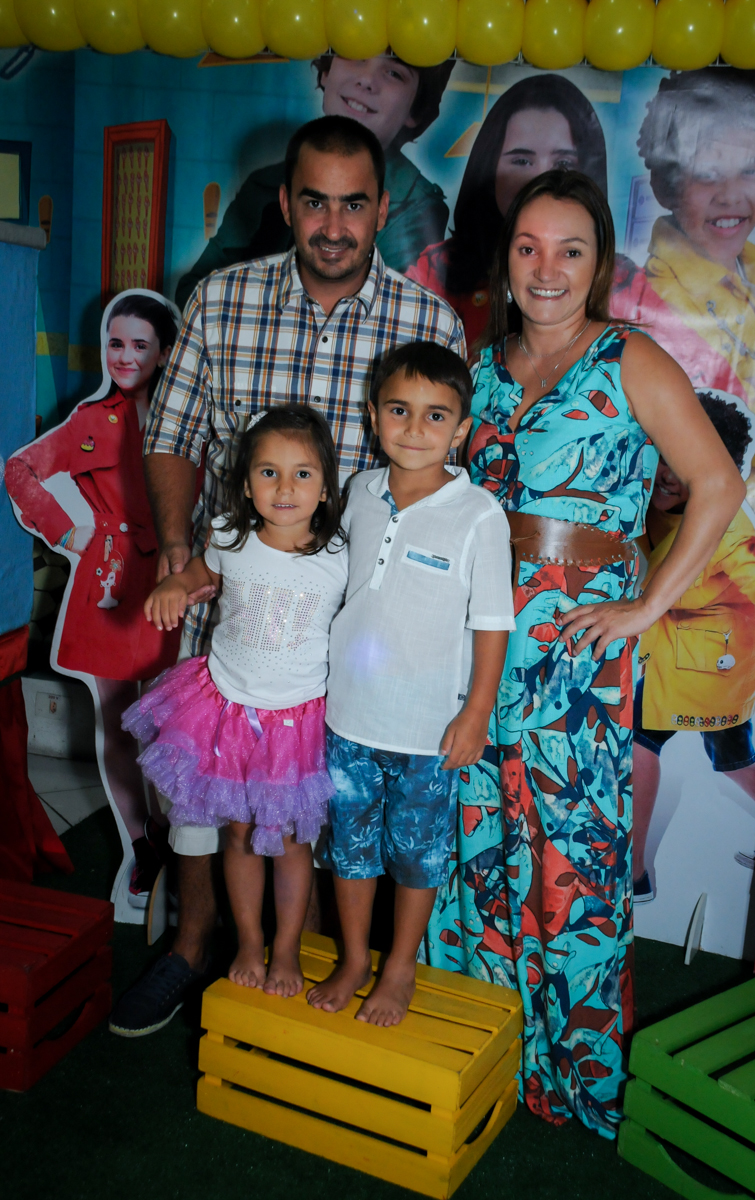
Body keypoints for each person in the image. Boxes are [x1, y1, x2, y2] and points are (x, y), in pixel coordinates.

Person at [108, 114, 464, 1038]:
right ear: (285, 203)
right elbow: (173, 434)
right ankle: (194, 947)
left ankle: (317, 959)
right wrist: (183, 555)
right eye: (316, 202)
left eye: (355, 204)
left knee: (318, 815)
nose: (335, 225)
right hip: (230, 607)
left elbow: (445, 484)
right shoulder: (222, 301)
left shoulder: (426, 321)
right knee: (204, 801)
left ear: (384, 209)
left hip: (348, 641)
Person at [425, 169, 746, 1137]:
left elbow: (716, 485)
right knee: (474, 846)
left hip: (574, 654)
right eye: (528, 247)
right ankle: (478, 1046)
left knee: (572, 864)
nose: (546, 268)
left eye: (569, 249)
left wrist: (645, 607)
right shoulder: (478, 370)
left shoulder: (628, 358)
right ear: (505, 256)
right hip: (475, 643)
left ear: (598, 262)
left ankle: (569, 1077)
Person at [306, 341, 514, 1025]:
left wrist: (476, 710)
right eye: (399, 411)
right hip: (348, 718)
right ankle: (356, 958)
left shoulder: (478, 513)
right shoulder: (359, 491)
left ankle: (400, 968)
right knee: (351, 846)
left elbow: (491, 621)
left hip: (428, 728)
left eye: (435, 417)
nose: (415, 430)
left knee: (415, 853)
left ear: (459, 430)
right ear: (373, 415)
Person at [120, 409, 347, 997]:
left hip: (297, 725)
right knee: (240, 836)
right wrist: (174, 584)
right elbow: (198, 575)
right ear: (246, 484)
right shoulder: (230, 536)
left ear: (326, 487)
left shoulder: (341, 554)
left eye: (303, 474)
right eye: (268, 472)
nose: (285, 488)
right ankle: (248, 940)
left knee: (293, 848)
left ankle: (287, 951)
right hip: (225, 710)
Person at [6, 292, 180, 911]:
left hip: (171, 577)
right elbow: (20, 471)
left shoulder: (186, 415)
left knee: (169, 723)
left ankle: (177, 839)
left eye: (141, 344)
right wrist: (67, 530)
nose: (127, 356)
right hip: (107, 584)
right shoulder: (89, 418)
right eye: (116, 342)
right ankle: (142, 845)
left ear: (165, 351)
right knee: (115, 723)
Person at [611, 67, 755, 587]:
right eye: (708, 173)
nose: (730, 195)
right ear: (666, 182)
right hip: (682, 564)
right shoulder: (634, 301)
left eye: (752, 170)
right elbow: (753, 436)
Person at [632, 391, 755, 902]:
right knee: (737, 759)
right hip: (686, 653)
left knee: (642, 739)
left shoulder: (726, 519)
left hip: (715, 660)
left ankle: (632, 874)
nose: (667, 473)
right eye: (663, 452)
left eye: (685, 463)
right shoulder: (645, 504)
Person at [175, 55, 454, 309]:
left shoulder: (417, 204)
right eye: (356, 56)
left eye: (394, 73)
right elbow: (194, 293)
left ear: (415, 109)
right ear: (326, 71)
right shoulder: (265, 184)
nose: (367, 81)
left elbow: (393, 315)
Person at [407, 74, 607, 348]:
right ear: (489, 167)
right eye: (522, 160)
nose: (541, 179)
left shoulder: (628, 291)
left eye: (562, 163)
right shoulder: (432, 275)